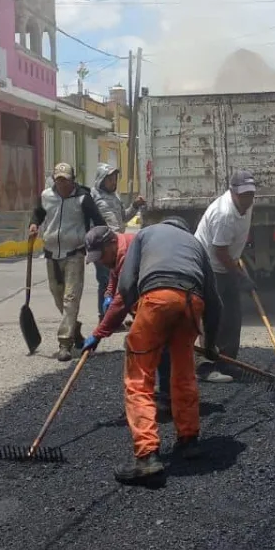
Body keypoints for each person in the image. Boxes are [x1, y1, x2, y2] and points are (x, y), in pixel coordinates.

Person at [85, 218, 221, 486]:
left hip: (157, 299)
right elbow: (215, 301)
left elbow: (126, 286)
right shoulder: (195, 243)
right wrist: (210, 346)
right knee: (184, 374)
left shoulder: (144, 235)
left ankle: (147, 455)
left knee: (139, 378)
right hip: (192, 302)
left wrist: (112, 326)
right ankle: (189, 440)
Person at [88, 224, 174, 419]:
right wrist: (109, 293)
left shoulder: (126, 251)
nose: (100, 261)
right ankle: (162, 391)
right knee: (156, 342)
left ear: (110, 243)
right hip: (150, 294)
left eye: (101, 255)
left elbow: (123, 298)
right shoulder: (117, 247)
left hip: (162, 292)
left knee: (156, 343)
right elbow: (114, 274)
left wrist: (98, 333)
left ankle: (165, 396)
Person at [29, 163, 101, 362]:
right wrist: (34, 225)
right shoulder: (46, 196)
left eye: (65, 180)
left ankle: (64, 343)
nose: (61, 183)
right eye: (58, 179)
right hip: (52, 253)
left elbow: (98, 220)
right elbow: (38, 214)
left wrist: (96, 245)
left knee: (71, 298)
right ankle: (74, 329)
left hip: (74, 253)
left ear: (72, 180)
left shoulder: (83, 198)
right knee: (57, 295)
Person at [194, 169, 257, 379]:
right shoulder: (224, 215)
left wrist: (237, 261)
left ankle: (227, 361)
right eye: (243, 194)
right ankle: (207, 366)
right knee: (212, 316)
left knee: (232, 314)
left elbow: (234, 240)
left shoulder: (246, 205)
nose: (248, 199)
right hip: (208, 265)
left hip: (225, 261)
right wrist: (239, 274)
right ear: (232, 192)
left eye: (251, 194)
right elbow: (219, 252)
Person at [90, 164, 145, 312]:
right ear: (101, 179)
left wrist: (135, 206)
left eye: (115, 179)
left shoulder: (115, 197)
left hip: (117, 246)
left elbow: (124, 217)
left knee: (119, 281)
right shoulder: (93, 196)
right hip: (102, 247)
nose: (113, 182)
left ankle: (115, 314)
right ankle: (104, 315)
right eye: (110, 179)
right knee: (105, 281)